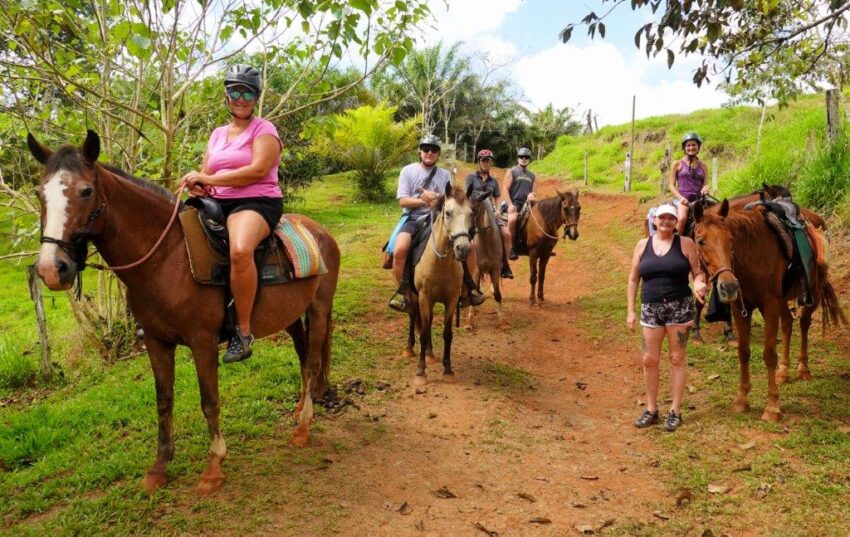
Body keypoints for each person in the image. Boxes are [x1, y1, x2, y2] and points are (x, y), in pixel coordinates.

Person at [179, 64, 283, 364]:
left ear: (256, 98)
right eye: (235, 91)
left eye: (247, 92)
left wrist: (209, 180)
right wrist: (198, 184)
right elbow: (207, 171)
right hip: (217, 201)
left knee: (239, 250)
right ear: (226, 96)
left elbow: (258, 171)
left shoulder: (265, 130)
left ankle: (244, 332)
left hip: (256, 201)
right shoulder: (216, 134)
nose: (241, 98)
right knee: (175, 240)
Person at [626, 204, 707, 432]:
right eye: (662, 218)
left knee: (677, 358)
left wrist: (699, 283)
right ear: (654, 221)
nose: (666, 222)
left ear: (676, 222)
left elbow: (697, 271)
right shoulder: (643, 245)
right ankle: (651, 409)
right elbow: (633, 280)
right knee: (649, 360)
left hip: (679, 309)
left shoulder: (686, 244)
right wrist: (631, 311)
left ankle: (675, 410)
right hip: (651, 309)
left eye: (671, 218)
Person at [388, 135, 485, 312]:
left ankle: (467, 291)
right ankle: (405, 294)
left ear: (438, 154)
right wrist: (424, 201)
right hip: (413, 218)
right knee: (400, 249)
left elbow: (450, 199)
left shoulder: (444, 174)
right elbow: (403, 201)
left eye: (434, 150)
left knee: (470, 246)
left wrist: (435, 198)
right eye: (426, 149)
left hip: (440, 218)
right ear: (420, 151)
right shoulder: (407, 171)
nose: (429, 152)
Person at [465, 149, 513, 279]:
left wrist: (497, 210)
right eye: (483, 160)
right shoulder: (471, 178)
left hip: (491, 213)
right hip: (474, 213)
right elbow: (467, 195)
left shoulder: (494, 181)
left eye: (487, 161)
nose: (485, 163)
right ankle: (463, 268)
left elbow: (497, 197)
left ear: (491, 162)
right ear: (479, 162)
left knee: (507, 234)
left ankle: (505, 264)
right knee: (464, 238)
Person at [670, 132, 709, 235]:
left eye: (694, 145)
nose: (691, 147)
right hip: (683, 200)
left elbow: (705, 184)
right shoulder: (677, 164)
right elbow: (671, 185)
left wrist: (705, 188)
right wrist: (680, 198)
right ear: (684, 148)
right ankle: (676, 245)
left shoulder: (704, 166)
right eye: (688, 145)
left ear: (698, 147)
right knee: (682, 218)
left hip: (699, 200)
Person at [503, 147, 537, 260]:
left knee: (539, 217)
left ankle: (540, 245)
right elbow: (505, 189)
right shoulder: (512, 171)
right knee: (512, 220)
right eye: (521, 157)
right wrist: (510, 204)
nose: (524, 159)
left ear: (529, 160)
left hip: (527, 204)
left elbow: (533, 191)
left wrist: (532, 195)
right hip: (515, 203)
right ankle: (511, 247)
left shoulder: (532, 175)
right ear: (518, 158)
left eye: (526, 157)